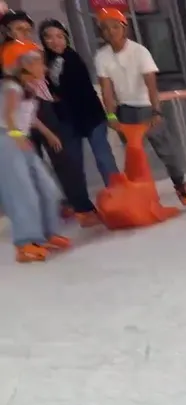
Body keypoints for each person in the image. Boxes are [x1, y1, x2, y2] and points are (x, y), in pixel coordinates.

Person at [94, 9, 186, 207]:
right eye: (105, 28)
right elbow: (106, 89)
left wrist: (156, 111)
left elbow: (151, 85)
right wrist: (111, 115)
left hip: (146, 108)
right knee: (134, 155)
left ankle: (181, 186)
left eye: (115, 27)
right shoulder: (102, 56)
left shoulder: (140, 52)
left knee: (166, 151)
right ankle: (140, 196)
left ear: (124, 28)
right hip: (125, 111)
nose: (110, 31)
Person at [1, 40, 72, 263]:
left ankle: (47, 234)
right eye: (39, 61)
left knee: (47, 188)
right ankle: (26, 243)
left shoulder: (29, 88)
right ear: (23, 65)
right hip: (7, 140)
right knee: (22, 191)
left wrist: (48, 134)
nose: (44, 66)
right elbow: (8, 115)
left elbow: (28, 118)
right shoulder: (11, 87)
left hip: (19, 139)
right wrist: (16, 136)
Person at [40, 19, 118, 187]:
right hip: (67, 119)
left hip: (90, 115)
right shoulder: (44, 62)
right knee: (73, 163)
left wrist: (57, 95)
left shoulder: (72, 58)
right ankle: (81, 201)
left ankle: (118, 191)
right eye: (49, 37)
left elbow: (75, 89)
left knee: (103, 157)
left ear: (66, 38)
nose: (55, 41)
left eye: (60, 36)